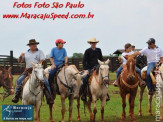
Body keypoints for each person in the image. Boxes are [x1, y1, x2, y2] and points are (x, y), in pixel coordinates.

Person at [12, 39, 53, 104]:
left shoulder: (40, 52)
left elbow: (41, 61)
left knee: (46, 82)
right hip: (28, 70)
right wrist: (20, 56)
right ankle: (16, 96)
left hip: (38, 70)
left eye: (35, 44)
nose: (34, 45)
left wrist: (36, 67)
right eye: (33, 44)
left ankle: (49, 97)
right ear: (30, 46)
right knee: (19, 80)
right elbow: (19, 61)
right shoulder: (26, 53)